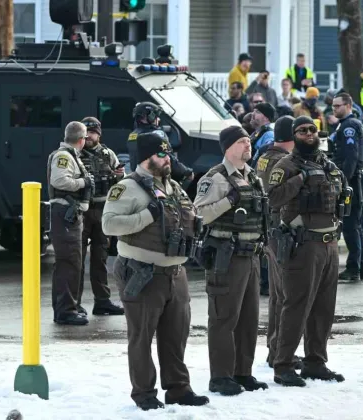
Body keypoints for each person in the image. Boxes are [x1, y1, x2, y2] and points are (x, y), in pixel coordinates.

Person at [102, 132, 209, 410]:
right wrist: (147, 216)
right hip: (142, 273)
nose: (168, 159)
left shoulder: (172, 186)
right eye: (162, 155)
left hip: (175, 272)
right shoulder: (127, 188)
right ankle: (145, 393)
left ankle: (178, 389)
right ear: (146, 157)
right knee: (141, 337)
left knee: (176, 336)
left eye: (169, 154)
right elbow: (109, 226)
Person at [267, 116, 349, 387]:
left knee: (324, 308)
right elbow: (273, 199)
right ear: (294, 136)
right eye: (302, 131)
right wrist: (300, 179)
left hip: (329, 244)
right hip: (302, 245)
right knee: (296, 305)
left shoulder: (327, 164)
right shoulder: (286, 165)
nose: (309, 134)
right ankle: (283, 364)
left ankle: (316, 362)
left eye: (312, 130)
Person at [193, 126, 269, 396]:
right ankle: (221, 377)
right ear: (227, 147)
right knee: (224, 318)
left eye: (249, 140)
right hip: (227, 257)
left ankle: (242, 372)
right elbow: (199, 214)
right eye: (241, 141)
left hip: (251, 256)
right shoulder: (215, 178)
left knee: (249, 319)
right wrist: (229, 200)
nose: (248, 145)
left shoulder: (253, 176)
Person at [255, 116, 302, 369]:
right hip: (280, 229)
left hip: (272, 229)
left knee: (277, 295)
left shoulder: (266, 155)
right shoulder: (280, 161)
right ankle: (279, 351)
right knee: (285, 295)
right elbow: (278, 196)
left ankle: (275, 348)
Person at [48, 121, 95, 326]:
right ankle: (65, 311)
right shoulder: (64, 156)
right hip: (64, 215)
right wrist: (83, 182)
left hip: (70, 215)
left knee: (71, 263)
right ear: (81, 139)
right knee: (69, 263)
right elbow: (59, 181)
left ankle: (69, 306)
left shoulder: (70, 155)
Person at [78, 117, 125, 316]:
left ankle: (102, 301)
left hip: (103, 209)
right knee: (77, 260)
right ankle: (74, 303)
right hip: (83, 210)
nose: (88, 136)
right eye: (85, 132)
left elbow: (120, 180)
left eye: (92, 132)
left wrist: (120, 175)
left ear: (99, 134)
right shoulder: (75, 154)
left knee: (101, 259)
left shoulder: (108, 154)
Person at [331, 93, 363, 281]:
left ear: (347, 105)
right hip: (355, 179)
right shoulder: (346, 125)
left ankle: (354, 268)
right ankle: (361, 267)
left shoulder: (349, 127)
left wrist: (343, 182)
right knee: (356, 225)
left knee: (351, 225)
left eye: (337, 106)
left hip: (352, 180)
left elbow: (351, 157)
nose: (334, 109)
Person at [127, 102, 193, 186]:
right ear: (150, 116)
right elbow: (168, 158)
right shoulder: (157, 135)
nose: (158, 119)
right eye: (156, 116)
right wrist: (186, 172)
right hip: (156, 179)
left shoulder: (132, 135)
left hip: (137, 178)